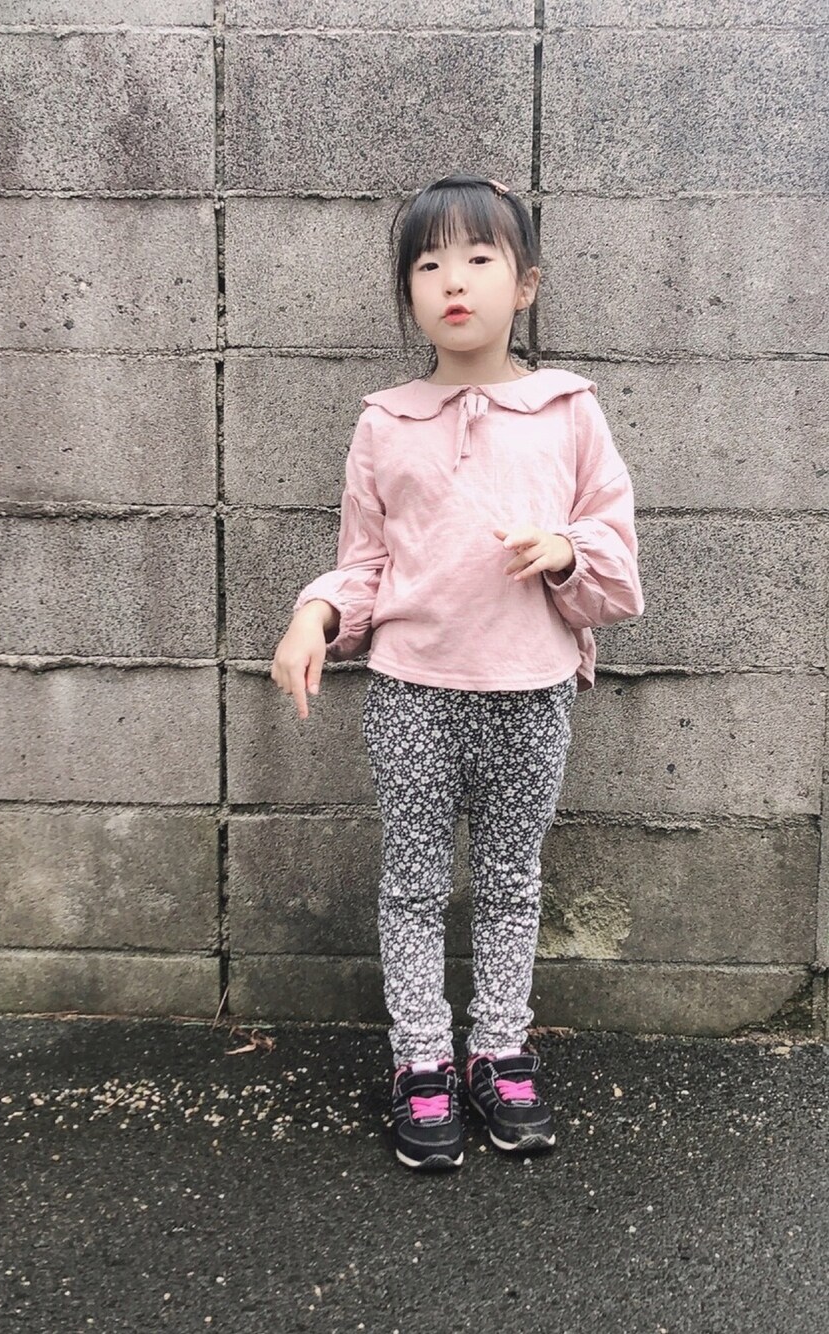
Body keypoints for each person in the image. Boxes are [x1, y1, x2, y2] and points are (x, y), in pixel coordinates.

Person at [270, 172, 645, 1171]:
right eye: (429, 262)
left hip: (530, 693)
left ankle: (499, 1049)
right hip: (411, 693)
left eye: (480, 257)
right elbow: (364, 561)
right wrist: (314, 615)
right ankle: (421, 1059)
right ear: (408, 291)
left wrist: (564, 550)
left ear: (525, 284)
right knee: (412, 883)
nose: (453, 280)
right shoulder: (384, 422)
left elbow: (614, 561)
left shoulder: (568, 412)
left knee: (512, 881)